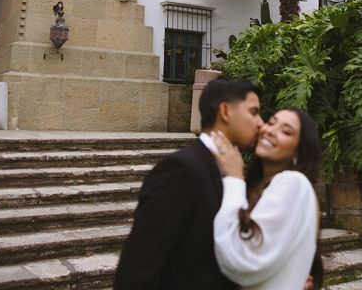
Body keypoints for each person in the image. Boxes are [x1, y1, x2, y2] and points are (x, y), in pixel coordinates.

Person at [113, 76, 263, 290]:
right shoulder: (180, 170)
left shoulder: (232, 170)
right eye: (254, 112)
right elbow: (137, 270)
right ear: (226, 111)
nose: (260, 122)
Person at [211, 107, 323, 290]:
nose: (270, 131)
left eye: (286, 131)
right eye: (271, 123)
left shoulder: (293, 183)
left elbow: (244, 258)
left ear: (298, 153)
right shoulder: (254, 188)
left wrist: (234, 178)